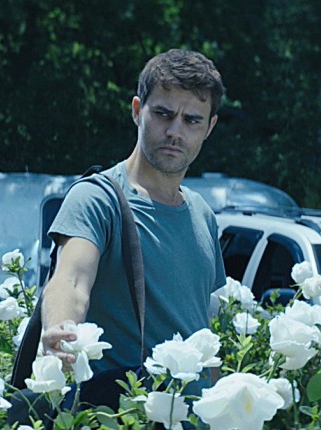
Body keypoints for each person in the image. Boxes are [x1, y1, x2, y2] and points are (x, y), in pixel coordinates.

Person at [39, 48, 227, 405]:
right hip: (123, 415)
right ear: (138, 110)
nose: (175, 131)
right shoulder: (97, 198)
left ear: (209, 128)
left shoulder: (203, 214)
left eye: (192, 120)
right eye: (163, 114)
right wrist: (61, 331)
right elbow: (71, 279)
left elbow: (201, 327)